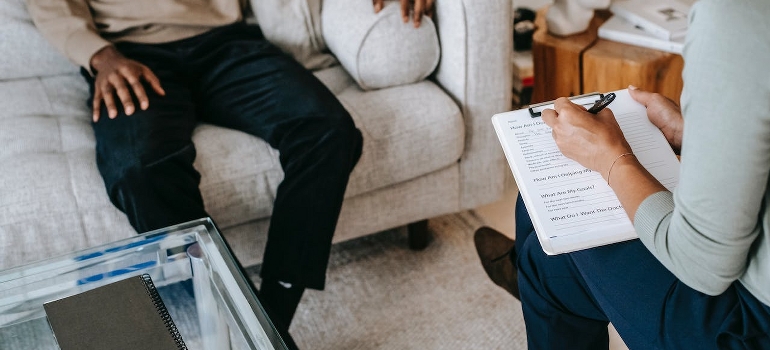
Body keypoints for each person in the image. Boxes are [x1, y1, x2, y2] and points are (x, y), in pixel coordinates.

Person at [26, 0, 432, 348]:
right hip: (127, 54)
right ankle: (234, 315)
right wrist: (101, 56)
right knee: (139, 171)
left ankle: (266, 318)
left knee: (328, 132)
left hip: (228, 43)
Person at [475, 0, 770, 348]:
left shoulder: (737, 17)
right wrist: (700, 135)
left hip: (747, 325)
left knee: (551, 225)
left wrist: (611, 157)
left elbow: (701, 264)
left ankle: (532, 276)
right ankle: (536, 277)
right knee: (547, 231)